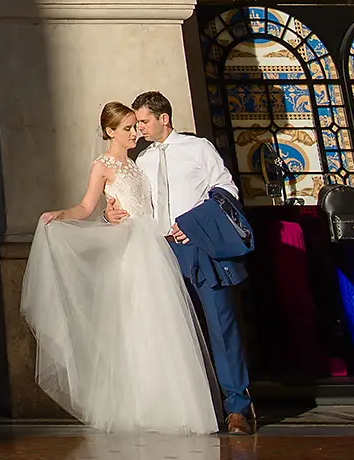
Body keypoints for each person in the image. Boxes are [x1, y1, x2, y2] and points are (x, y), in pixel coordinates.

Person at [19, 101, 219, 434]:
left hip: (154, 244)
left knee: (165, 325)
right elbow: (86, 205)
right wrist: (62, 215)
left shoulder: (141, 163)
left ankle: (173, 405)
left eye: (135, 126)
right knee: (133, 324)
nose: (134, 133)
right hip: (130, 249)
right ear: (110, 131)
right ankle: (138, 406)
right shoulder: (103, 165)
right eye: (127, 128)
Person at [108, 90, 257, 435]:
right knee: (175, 330)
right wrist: (111, 212)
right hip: (159, 252)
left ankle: (237, 407)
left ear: (164, 118)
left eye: (143, 121)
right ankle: (195, 407)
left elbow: (226, 190)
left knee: (221, 326)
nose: (138, 128)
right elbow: (135, 204)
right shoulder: (140, 161)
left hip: (199, 248)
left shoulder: (198, 148)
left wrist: (194, 225)